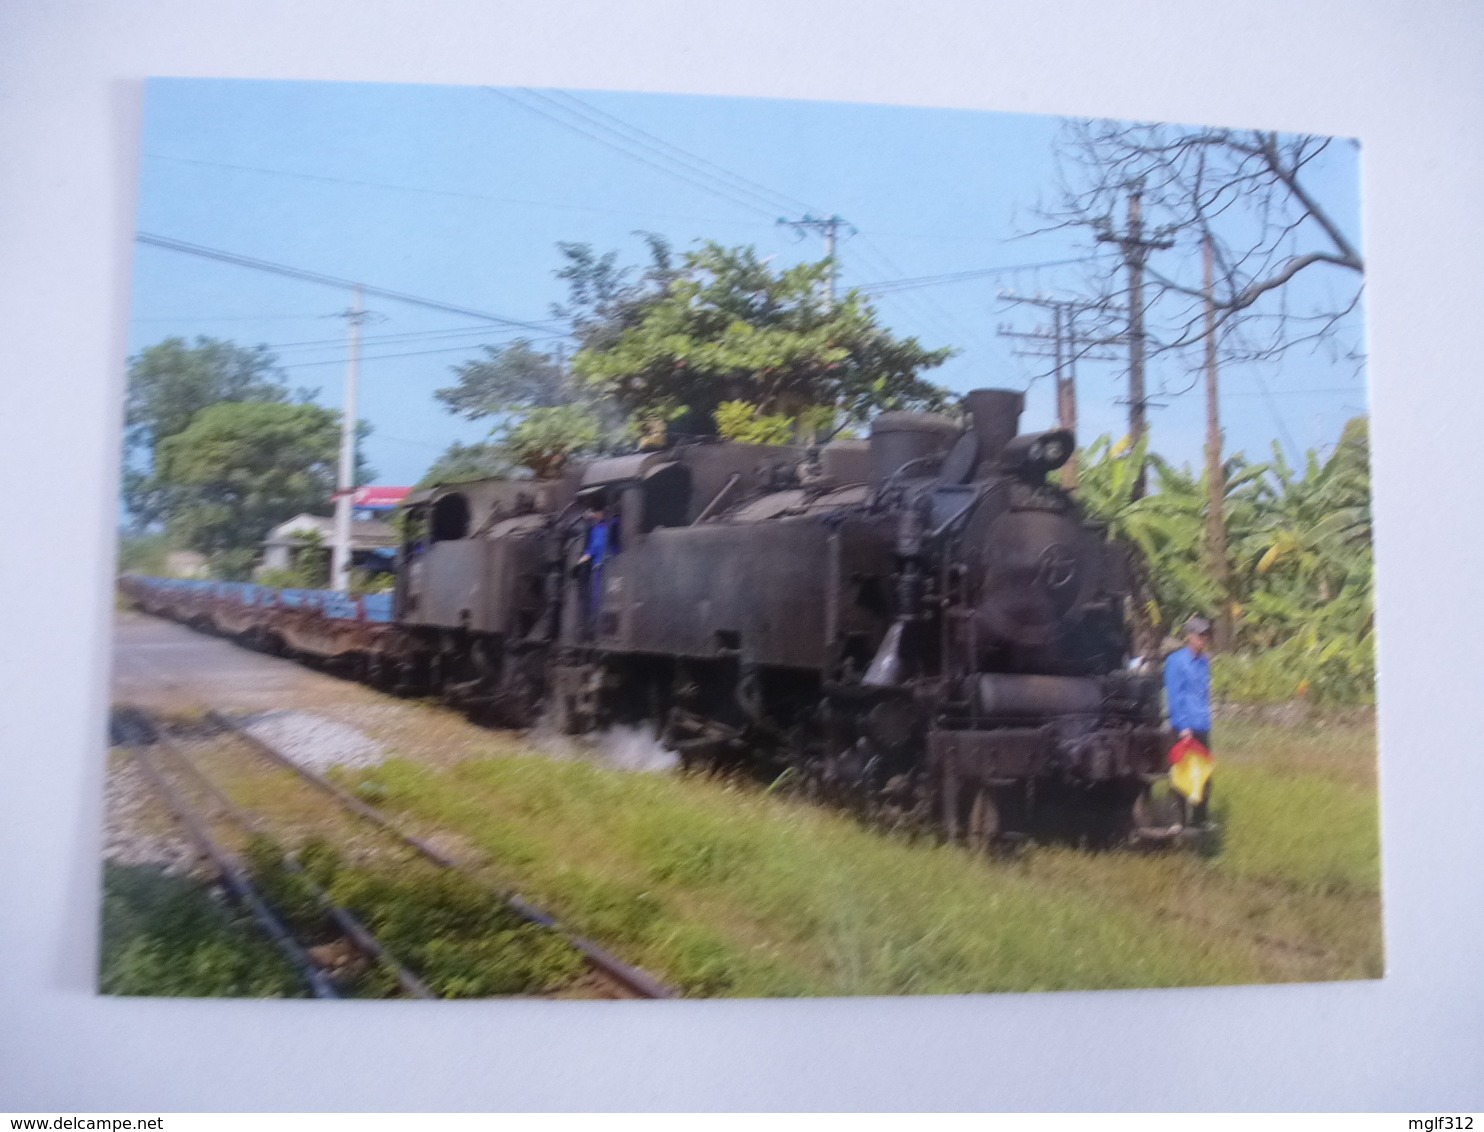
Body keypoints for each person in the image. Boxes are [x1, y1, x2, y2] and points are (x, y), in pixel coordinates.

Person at [1163, 615, 1214, 824]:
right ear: (1189, 637)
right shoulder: (1176, 662)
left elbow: (1203, 694)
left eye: (1205, 635)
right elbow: (1175, 696)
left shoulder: (1204, 662)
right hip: (1185, 727)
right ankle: (1178, 820)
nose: (1203, 639)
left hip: (1202, 724)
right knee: (1182, 773)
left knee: (1204, 773)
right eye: (1199, 635)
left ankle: (1200, 818)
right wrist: (1183, 726)